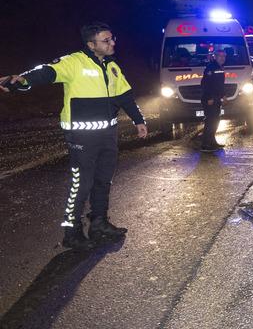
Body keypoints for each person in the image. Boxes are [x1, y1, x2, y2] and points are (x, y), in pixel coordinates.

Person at [0, 22, 147, 250]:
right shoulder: (74, 62)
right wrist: (24, 80)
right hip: (82, 136)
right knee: (82, 183)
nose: (112, 43)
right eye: (106, 40)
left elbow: (125, 96)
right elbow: (48, 71)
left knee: (103, 180)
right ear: (91, 44)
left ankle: (99, 223)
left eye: (112, 38)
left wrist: (139, 121)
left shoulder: (112, 66)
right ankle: (72, 231)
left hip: (108, 133)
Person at [200, 49, 227, 152]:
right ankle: (205, 144)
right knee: (210, 121)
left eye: (224, 56)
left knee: (215, 120)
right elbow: (205, 84)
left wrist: (224, 96)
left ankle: (212, 142)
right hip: (210, 99)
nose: (222, 58)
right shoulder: (211, 68)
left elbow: (219, 85)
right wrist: (209, 98)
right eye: (220, 56)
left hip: (216, 99)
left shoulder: (219, 67)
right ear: (215, 56)